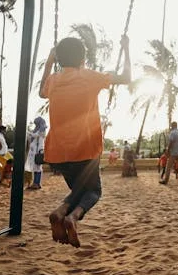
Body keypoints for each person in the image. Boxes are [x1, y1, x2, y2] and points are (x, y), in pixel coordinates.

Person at [40, 34, 131, 247]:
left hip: (58, 152)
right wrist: (126, 47)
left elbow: (41, 93)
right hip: (85, 149)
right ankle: (71, 217)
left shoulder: (53, 81)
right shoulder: (90, 77)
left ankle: (62, 211)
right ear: (83, 60)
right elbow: (127, 77)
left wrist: (49, 62)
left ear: (59, 59)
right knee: (93, 191)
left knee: (79, 191)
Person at [25, 117, 47, 190]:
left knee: (37, 168)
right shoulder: (38, 130)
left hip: (37, 151)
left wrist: (27, 132)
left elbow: (37, 137)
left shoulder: (41, 131)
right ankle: (36, 183)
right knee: (36, 168)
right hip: (34, 151)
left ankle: (36, 183)